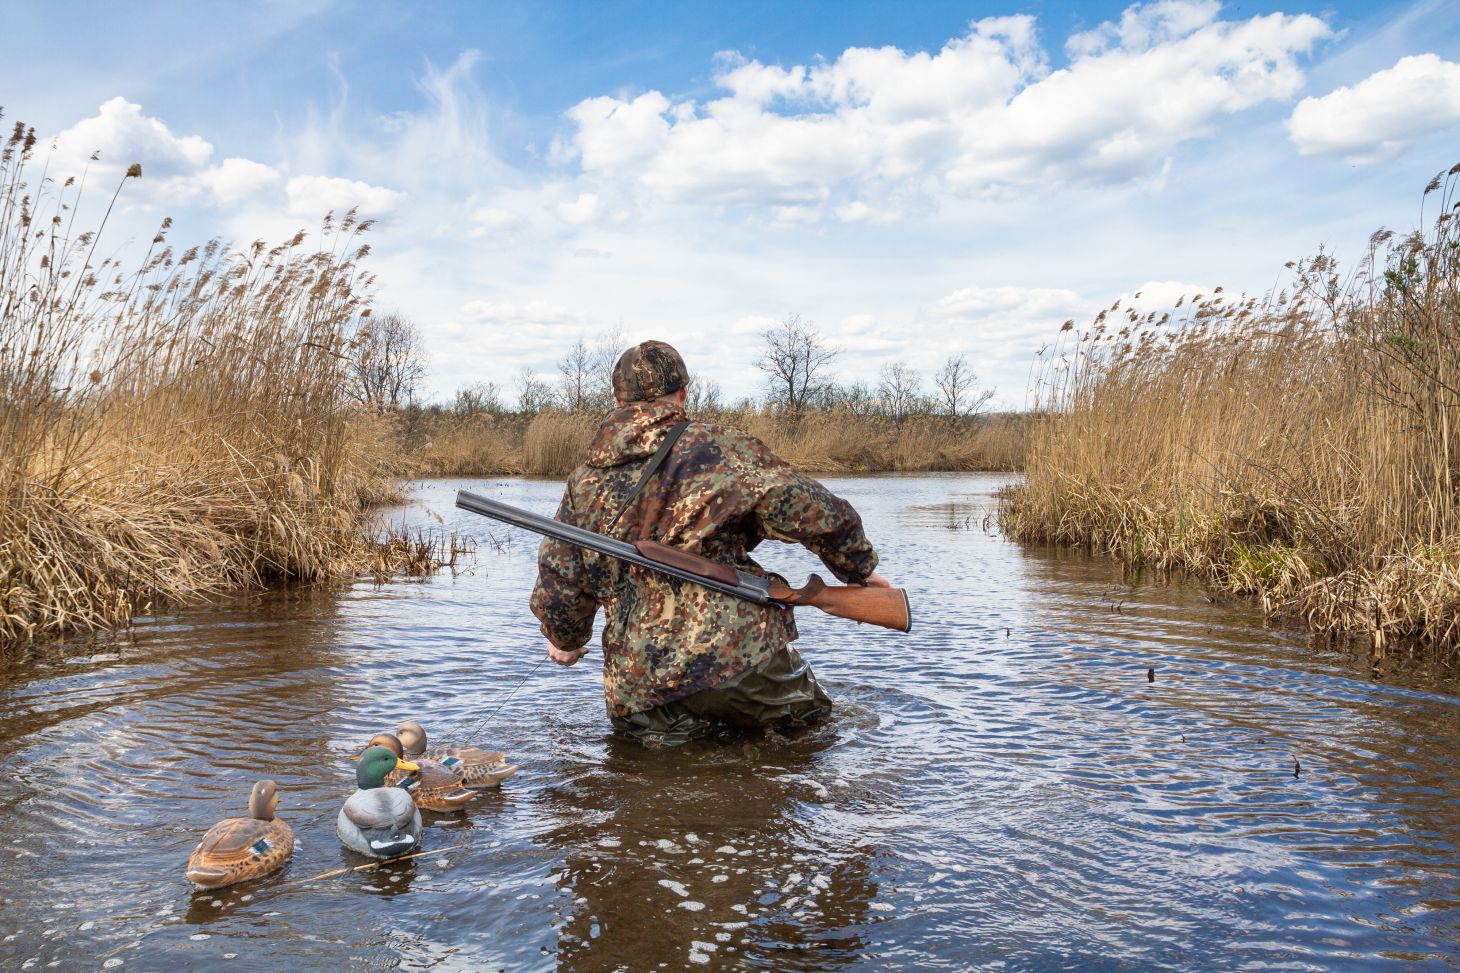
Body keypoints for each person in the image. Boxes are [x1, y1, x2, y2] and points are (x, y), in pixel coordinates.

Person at [530, 339, 891, 747]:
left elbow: (562, 574)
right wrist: (861, 570)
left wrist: (565, 639)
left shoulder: (585, 479)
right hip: (739, 656)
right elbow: (816, 510)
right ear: (683, 393)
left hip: (642, 680)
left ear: (617, 400)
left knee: (653, 789)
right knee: (812, 736)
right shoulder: (720, 448)